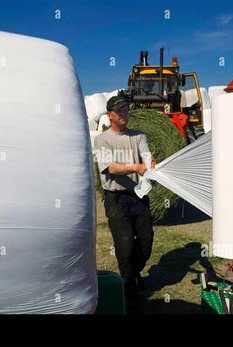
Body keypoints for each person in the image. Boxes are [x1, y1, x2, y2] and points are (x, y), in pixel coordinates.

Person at [94, 96, 155, 303]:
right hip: (116, 199)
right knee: (125, 246)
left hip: (138, 196)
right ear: (110, 115)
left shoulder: (138, 135)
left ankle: (134, 271)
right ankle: (129, 294)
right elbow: (109, 167)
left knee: (146, 243)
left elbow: (146, 155)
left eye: (126, 110)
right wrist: (135, 167)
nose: (124, 114)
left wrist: (149, 163)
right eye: (119, 111)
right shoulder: (102, 140)